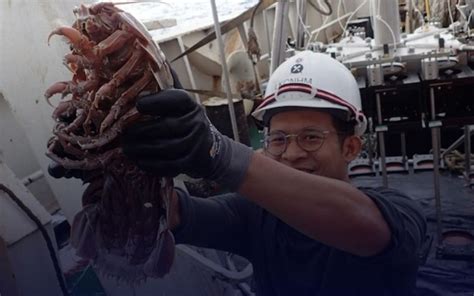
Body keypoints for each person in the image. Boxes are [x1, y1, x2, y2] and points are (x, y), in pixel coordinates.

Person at [52, 51, 427, 295]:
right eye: (278, 139)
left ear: (351, 147)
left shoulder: (398, 213)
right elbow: (176, 212)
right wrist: (113, 157)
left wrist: (218, 153)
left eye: (311, 138)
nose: (292, 153)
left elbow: (368, 229)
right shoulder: (255, 214)